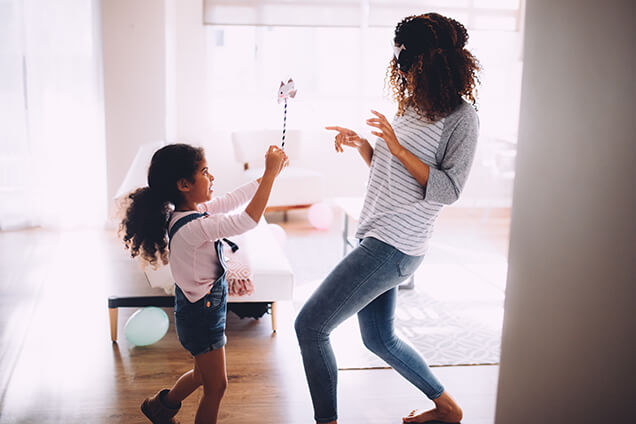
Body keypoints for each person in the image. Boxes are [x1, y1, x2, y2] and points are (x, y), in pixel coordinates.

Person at [295, 13, 480, 424]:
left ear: (434, 61)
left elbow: (449, 190)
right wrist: (366, 146)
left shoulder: (462, 118)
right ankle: (447, 409)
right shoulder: (414, 104)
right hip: (377, 234)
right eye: (398, 59)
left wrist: (395, 148)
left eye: (407, 60)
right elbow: (393, 171)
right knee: (379, 338)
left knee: (310, 326)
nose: (401, 68)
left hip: (396, 244)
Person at [119, 143, 287, 424]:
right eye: (205, 172)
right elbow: (248, 220)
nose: (211, 177)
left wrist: (271, 175)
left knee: (201, 376)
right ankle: (161, 407)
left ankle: (160, 408)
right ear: (184, 184)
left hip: (199, 310)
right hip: (202, 315)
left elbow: (235, 199)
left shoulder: (193, 211)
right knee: (216, 386)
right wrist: (269, 175)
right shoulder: (194, 227)